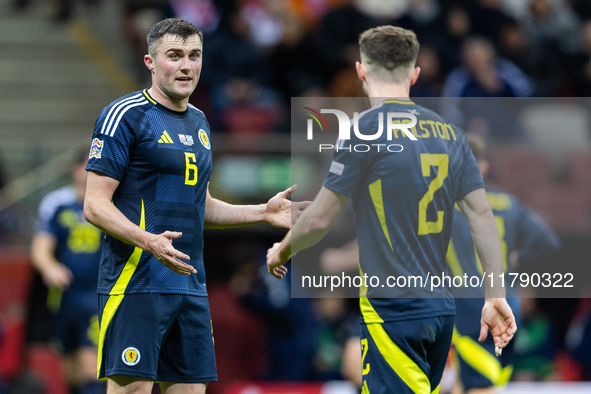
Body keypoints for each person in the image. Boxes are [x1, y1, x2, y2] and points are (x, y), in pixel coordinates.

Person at [267, 25, 517, 394]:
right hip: (440, 311)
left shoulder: (363, 131)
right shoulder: (451, 134)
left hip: (393, 311)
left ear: (360, 71)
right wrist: (495, 294)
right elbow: (482, 215)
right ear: (414, 74)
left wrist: (281, 250)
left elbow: (319, 218)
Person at [83, 18, 308, 394]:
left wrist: (262, 213)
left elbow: (197, 205)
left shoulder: (200, 122)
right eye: (174, 56)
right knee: (133, 389)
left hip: (190, 285)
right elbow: (94, 205)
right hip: (137, 283)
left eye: (194, 55)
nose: (186, 66)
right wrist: (147, 240)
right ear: (150, 62)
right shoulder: (126, 115)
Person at [448, 134, 560, 394]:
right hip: (509, 305)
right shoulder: (509, 202)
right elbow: (549, 242)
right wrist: (516, 259)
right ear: (484, 167)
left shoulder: (442, 205)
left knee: (480, 387)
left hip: (468, 309)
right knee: (473, 384)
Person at [30, 150, 104, 394]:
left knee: (90, 366)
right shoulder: (58, 204)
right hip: (65, 295)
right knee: (70, 366)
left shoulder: (111, 204)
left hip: (98, 295)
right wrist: (50, 266)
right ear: (75, 170)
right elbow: (41, 247)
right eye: (87, 167)